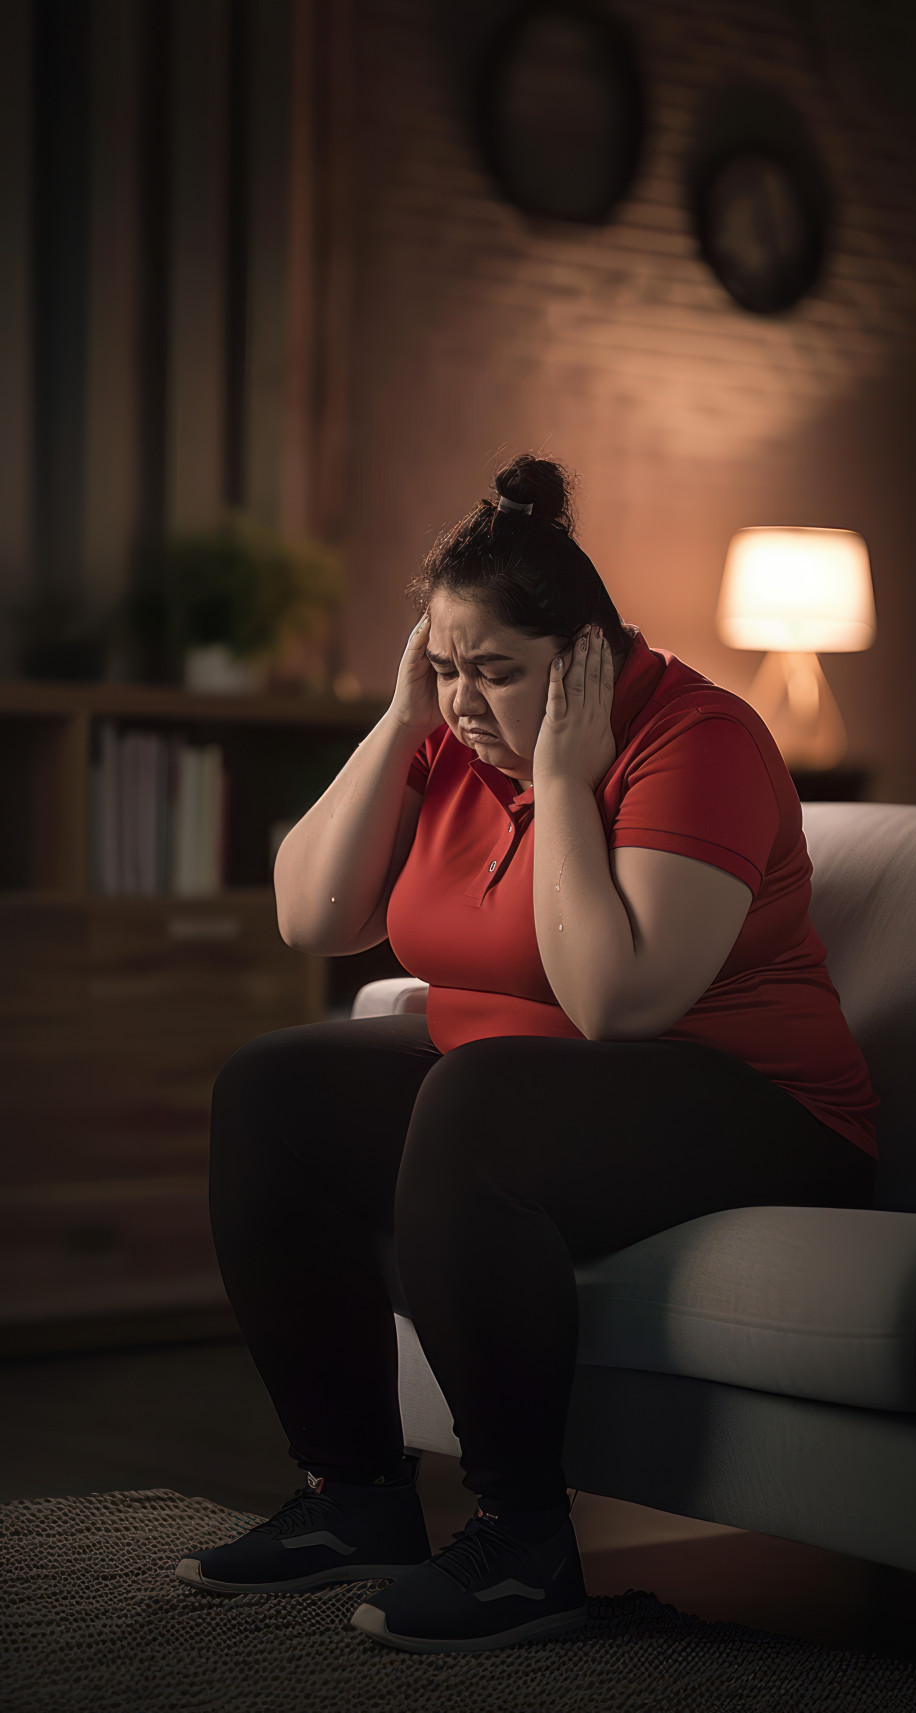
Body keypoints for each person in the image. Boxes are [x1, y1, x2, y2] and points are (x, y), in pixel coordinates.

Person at [175, 452, 880, 1655]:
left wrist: (561, 777)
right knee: (271, 1088)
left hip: (756, 1106)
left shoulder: (697, 740)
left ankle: (523, 1546)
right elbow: (312, 918)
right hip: (522, 1088)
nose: (465, 701)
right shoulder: (450, 729)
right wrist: (403, 717)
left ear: (588, 659)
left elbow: (616, 1003)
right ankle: (353, 1497)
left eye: (495, 671)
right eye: (444, 667)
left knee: (476, 1101)